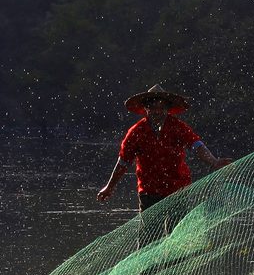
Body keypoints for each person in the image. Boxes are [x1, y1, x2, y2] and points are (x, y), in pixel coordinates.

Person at [97, 84, 231, 212]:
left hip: (177, 190)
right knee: (149, 235)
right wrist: (109, 187)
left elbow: (197, 146)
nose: (157, 111)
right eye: (153, 107)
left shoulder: (178, 127)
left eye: (161, 107)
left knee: (175, 230)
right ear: (146, 109)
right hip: (149, 192)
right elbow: (123, 162)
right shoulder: (136, 132)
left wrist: (214, 161)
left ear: (167, 109)